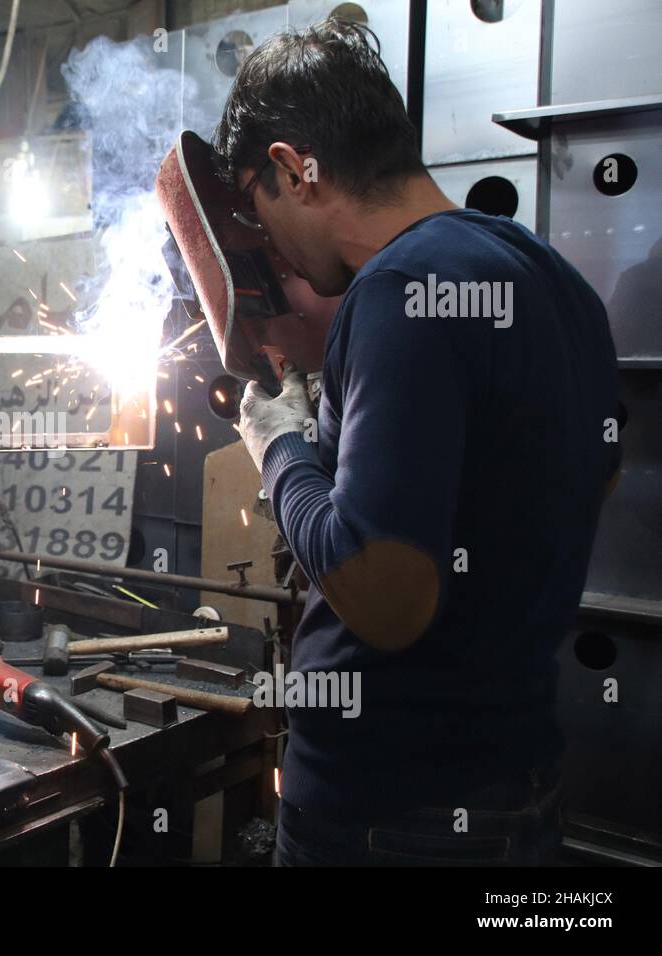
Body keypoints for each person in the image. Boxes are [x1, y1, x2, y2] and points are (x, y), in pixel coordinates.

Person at [218, 18, 620, 865]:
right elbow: (571, 485)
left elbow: (389, 597)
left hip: (390, 818)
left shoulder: (401, 291)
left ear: (295, 169)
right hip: (514, 794)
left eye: (261, 207)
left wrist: (282, 447)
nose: (271, 248)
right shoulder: (554, 281)